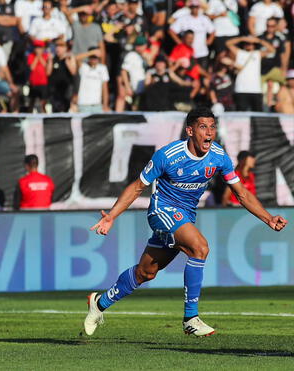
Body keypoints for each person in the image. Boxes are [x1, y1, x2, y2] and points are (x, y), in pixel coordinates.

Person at [84, 107, 288, 338]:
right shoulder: (168, 155)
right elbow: (137, 187)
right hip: (162, 211)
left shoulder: (219, 157)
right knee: (199, 247)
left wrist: (268, 218)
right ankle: (190, 318)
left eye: (212, 127)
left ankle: (99, 303)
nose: (209, 133)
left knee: (146, 272)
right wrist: (111, 216)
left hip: (185, 215)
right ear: (190, 130)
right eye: (203, 127)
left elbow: (241, 193)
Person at [226, 36, 275, 111]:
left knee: (258, 116)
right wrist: (242, 38)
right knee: (241, 115)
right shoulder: (239, 52)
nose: (249, 45)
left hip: (256, 90)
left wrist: (258, 40)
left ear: (254, 45)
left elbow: (272, 50)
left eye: (251, 44)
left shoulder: (258, 53)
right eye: (247, 43)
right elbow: (228, 43)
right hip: (241, 89)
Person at [75, 47, 109, 113]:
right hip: (83, 105)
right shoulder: (83, 66)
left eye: (95, 57)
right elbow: (76, 58)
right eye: (92, 57)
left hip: (97, 105)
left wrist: (105, 105)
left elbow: (105, 88)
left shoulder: (103, 68)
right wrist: (92, 52)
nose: (94, 59)